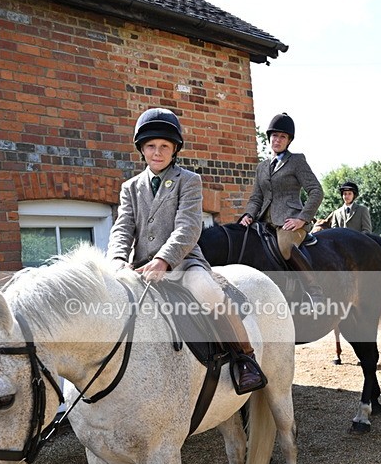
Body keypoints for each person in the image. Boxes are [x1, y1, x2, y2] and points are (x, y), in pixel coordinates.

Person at [107, 107, 265, 394]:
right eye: (151, 146)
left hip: (184, 263)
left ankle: (245, 358)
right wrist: (118, 260)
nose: (157, 152)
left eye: (164, 146)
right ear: (142, 149)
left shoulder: (189, 180)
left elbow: (188, 228)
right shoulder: (129, 187)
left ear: (174, 149)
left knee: (208, 290)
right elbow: (122, 227)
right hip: (140, 267)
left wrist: (163, 260)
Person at [239, 112, 324, 304]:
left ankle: (314, 290)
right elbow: (256, 197)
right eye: (274, 136)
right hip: (263, 222)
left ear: (288, 141)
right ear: (269, 138)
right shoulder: (262, 167)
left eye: (282, 137)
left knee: (285, 246)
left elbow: (316, 191)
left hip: (290, 221)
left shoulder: (297, 161)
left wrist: (302, 218)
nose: (277, 140)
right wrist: (248, 215)